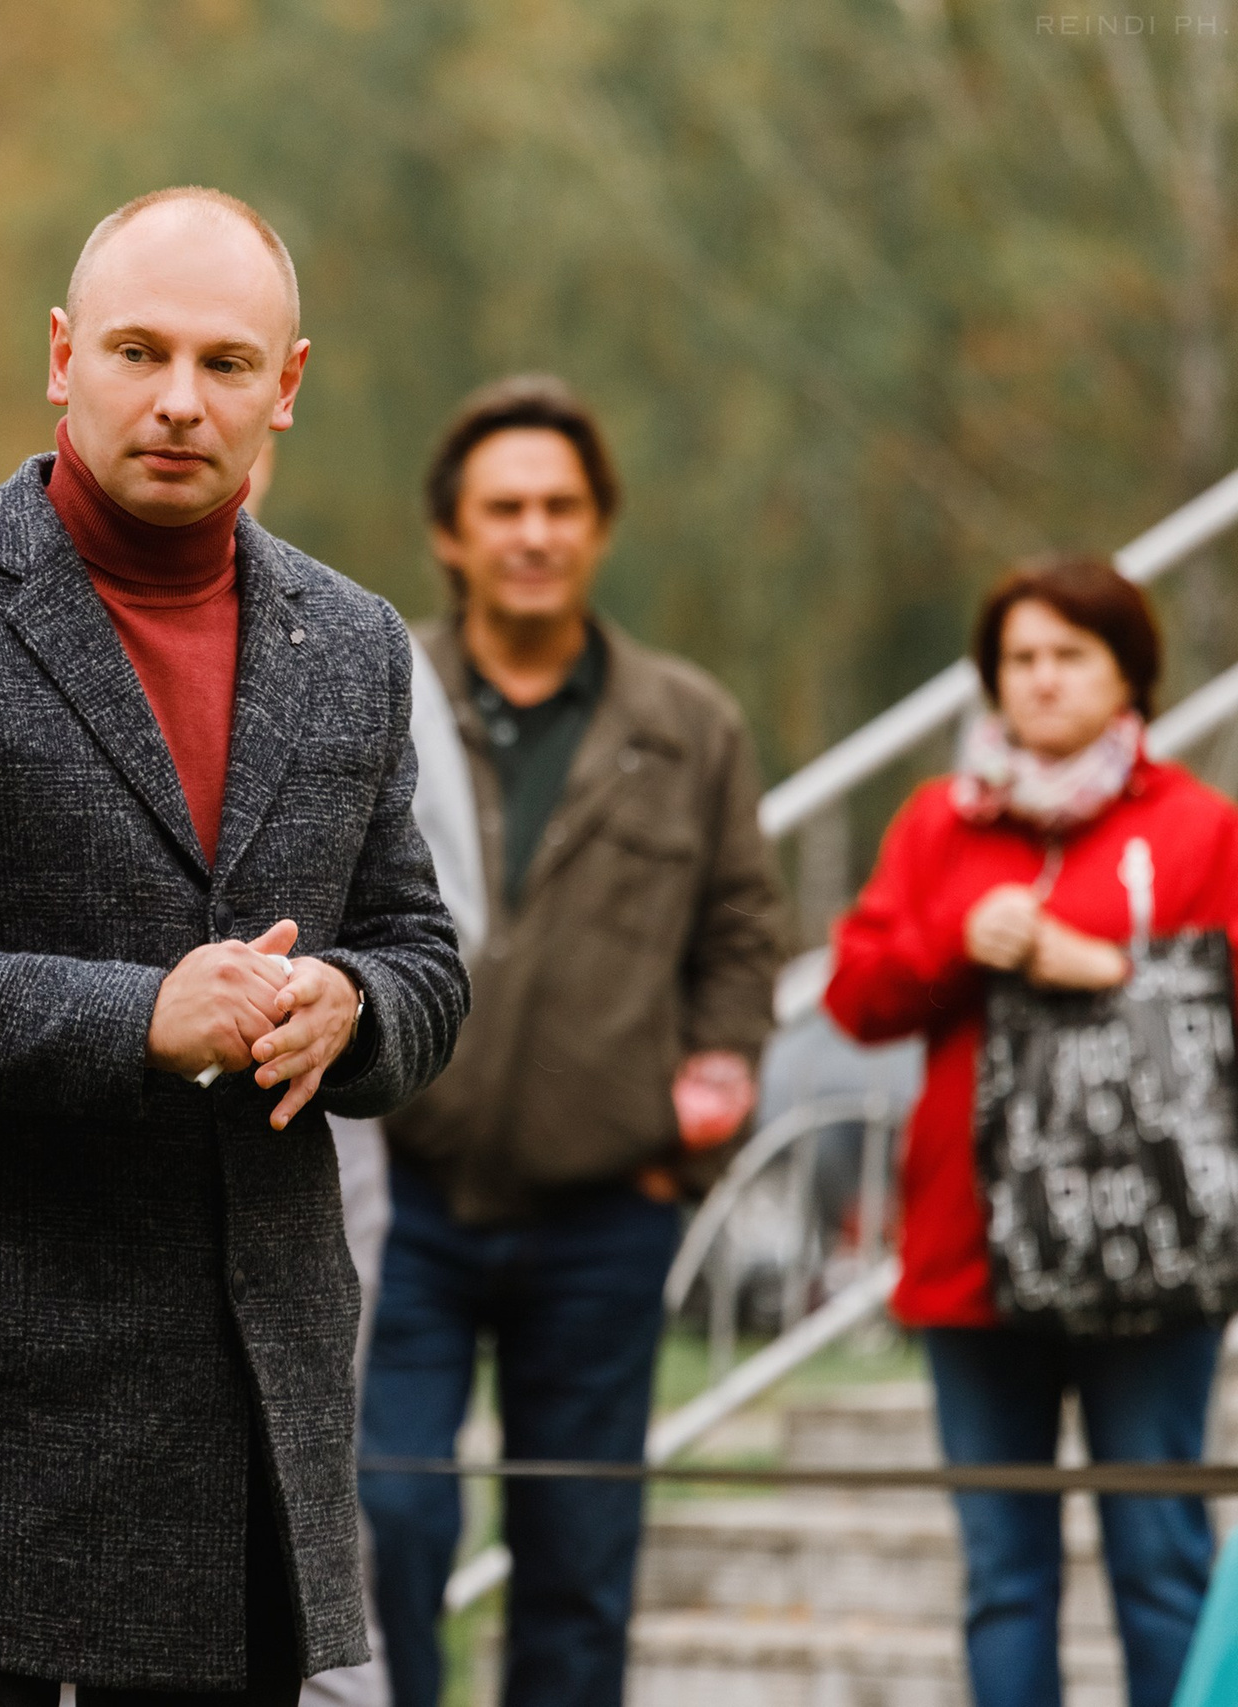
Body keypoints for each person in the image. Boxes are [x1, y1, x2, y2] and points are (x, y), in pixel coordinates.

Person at [0, 186, 469, 1704]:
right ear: (63, 356)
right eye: (140, 351)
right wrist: (140, 1017)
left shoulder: (352, 643)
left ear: (289, 386)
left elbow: (421, 952)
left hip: (245, 1406)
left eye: (225, 362)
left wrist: (353, 1002)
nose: (179, 399)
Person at [359, 374, 786, 1707]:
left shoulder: (692, 722)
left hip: (609, 1207)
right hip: (402, 1192)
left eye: (560, 506)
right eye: (504, 508)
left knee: (579, 1559)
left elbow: (741, 928)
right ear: (451, 532)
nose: (533, 532)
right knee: (389, 1523)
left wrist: (714, 1075)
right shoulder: (376, 695)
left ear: (600, 526)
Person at [828, 558, 1229, 1707]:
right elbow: (856, 996)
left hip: (1155, 1255)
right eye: (1020, 660)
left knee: (1160, 1564)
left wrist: (1116, 971)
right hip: (969, 1256)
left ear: (1129, 676)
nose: (1042, 682)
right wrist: (957, 935)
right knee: (1003, 1574)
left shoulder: (1201, 827)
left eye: (1071, 657)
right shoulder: (936, 827)